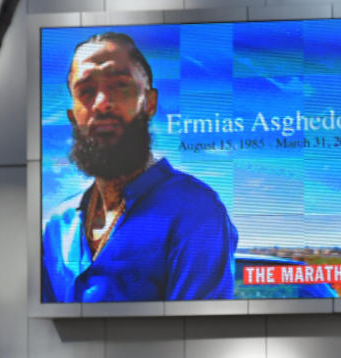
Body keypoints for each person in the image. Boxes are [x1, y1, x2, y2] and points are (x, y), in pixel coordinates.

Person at [42, 31, 237, 303]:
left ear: (150, 103)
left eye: (120, 85)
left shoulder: (196, 211)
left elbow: (196, 334)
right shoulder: (56, 225)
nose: (102, 104)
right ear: (73, 117)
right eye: (86, 91)